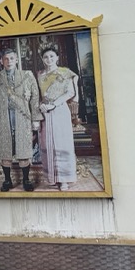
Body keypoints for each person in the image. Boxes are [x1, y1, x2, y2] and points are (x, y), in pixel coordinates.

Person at [0, 48, 41, 191]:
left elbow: (35, 97)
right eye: (6, 59)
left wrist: (35, 118)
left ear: (17, 60)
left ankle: (26, 180)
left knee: (23, 149)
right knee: (5, 150)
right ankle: (7, 181)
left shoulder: (27, 76)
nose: (9, 62)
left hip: (22, 117)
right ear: (1, 61)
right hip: (2, 118)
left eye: (12, 58)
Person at [36, 44, 79, 191]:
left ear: (57, 58)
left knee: (62, 144)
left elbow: (70, 92)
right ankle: (52, 177)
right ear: (42, 59)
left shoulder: (64, 72)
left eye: (51, 56)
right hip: (45, 112)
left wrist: (53, 104)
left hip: (60, 110)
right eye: (46, 57)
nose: (49, 59)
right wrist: (42, 105)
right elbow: (39, 95)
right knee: (47, 144)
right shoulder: (40, 75)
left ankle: (64, 180)